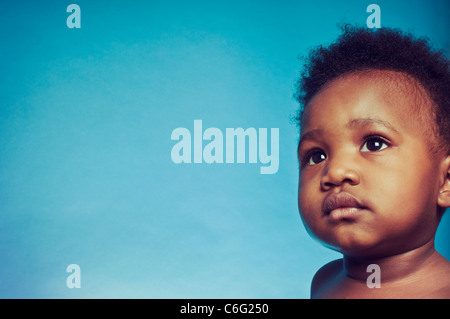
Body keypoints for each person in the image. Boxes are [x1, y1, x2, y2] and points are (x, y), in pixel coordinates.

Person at [296, 25, 450, 298]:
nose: (336, 171)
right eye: (317, 155)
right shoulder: (325, 281)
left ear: (446, 181)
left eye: (374, 143)